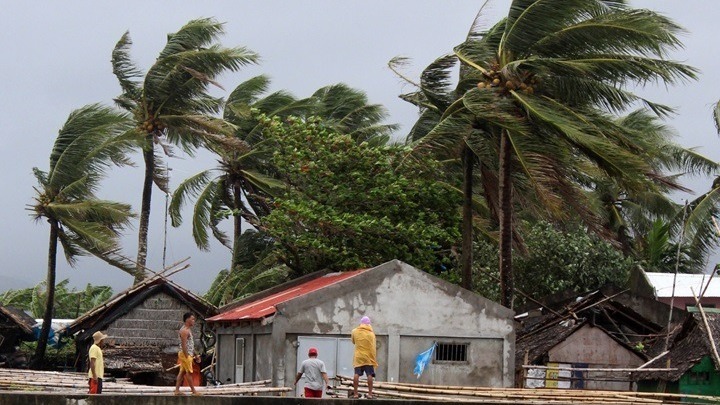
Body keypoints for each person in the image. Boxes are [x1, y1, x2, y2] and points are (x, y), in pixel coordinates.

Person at [351, 316, 378, 399]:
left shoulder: (354, 331)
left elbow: (353, 342)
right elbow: (373, 346)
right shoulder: (371, 333)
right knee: (370, 374)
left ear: (361, 323)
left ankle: (355, 394)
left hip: (358, 357)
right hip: (368, 358)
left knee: (356, 374)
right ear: (369, 324)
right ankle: (370, 394)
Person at [174, 312, 201, 396]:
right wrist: (187, 356)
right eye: (192, 319)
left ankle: (177, 391)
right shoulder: (184, 331)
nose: (194, 321)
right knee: (189, 373)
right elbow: (184, 345)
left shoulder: (188, 329)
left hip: (187, 354)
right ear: (187, 319)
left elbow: (191, 345)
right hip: (185, 354)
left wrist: (195, 355)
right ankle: (193, 391)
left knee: (182, 372)